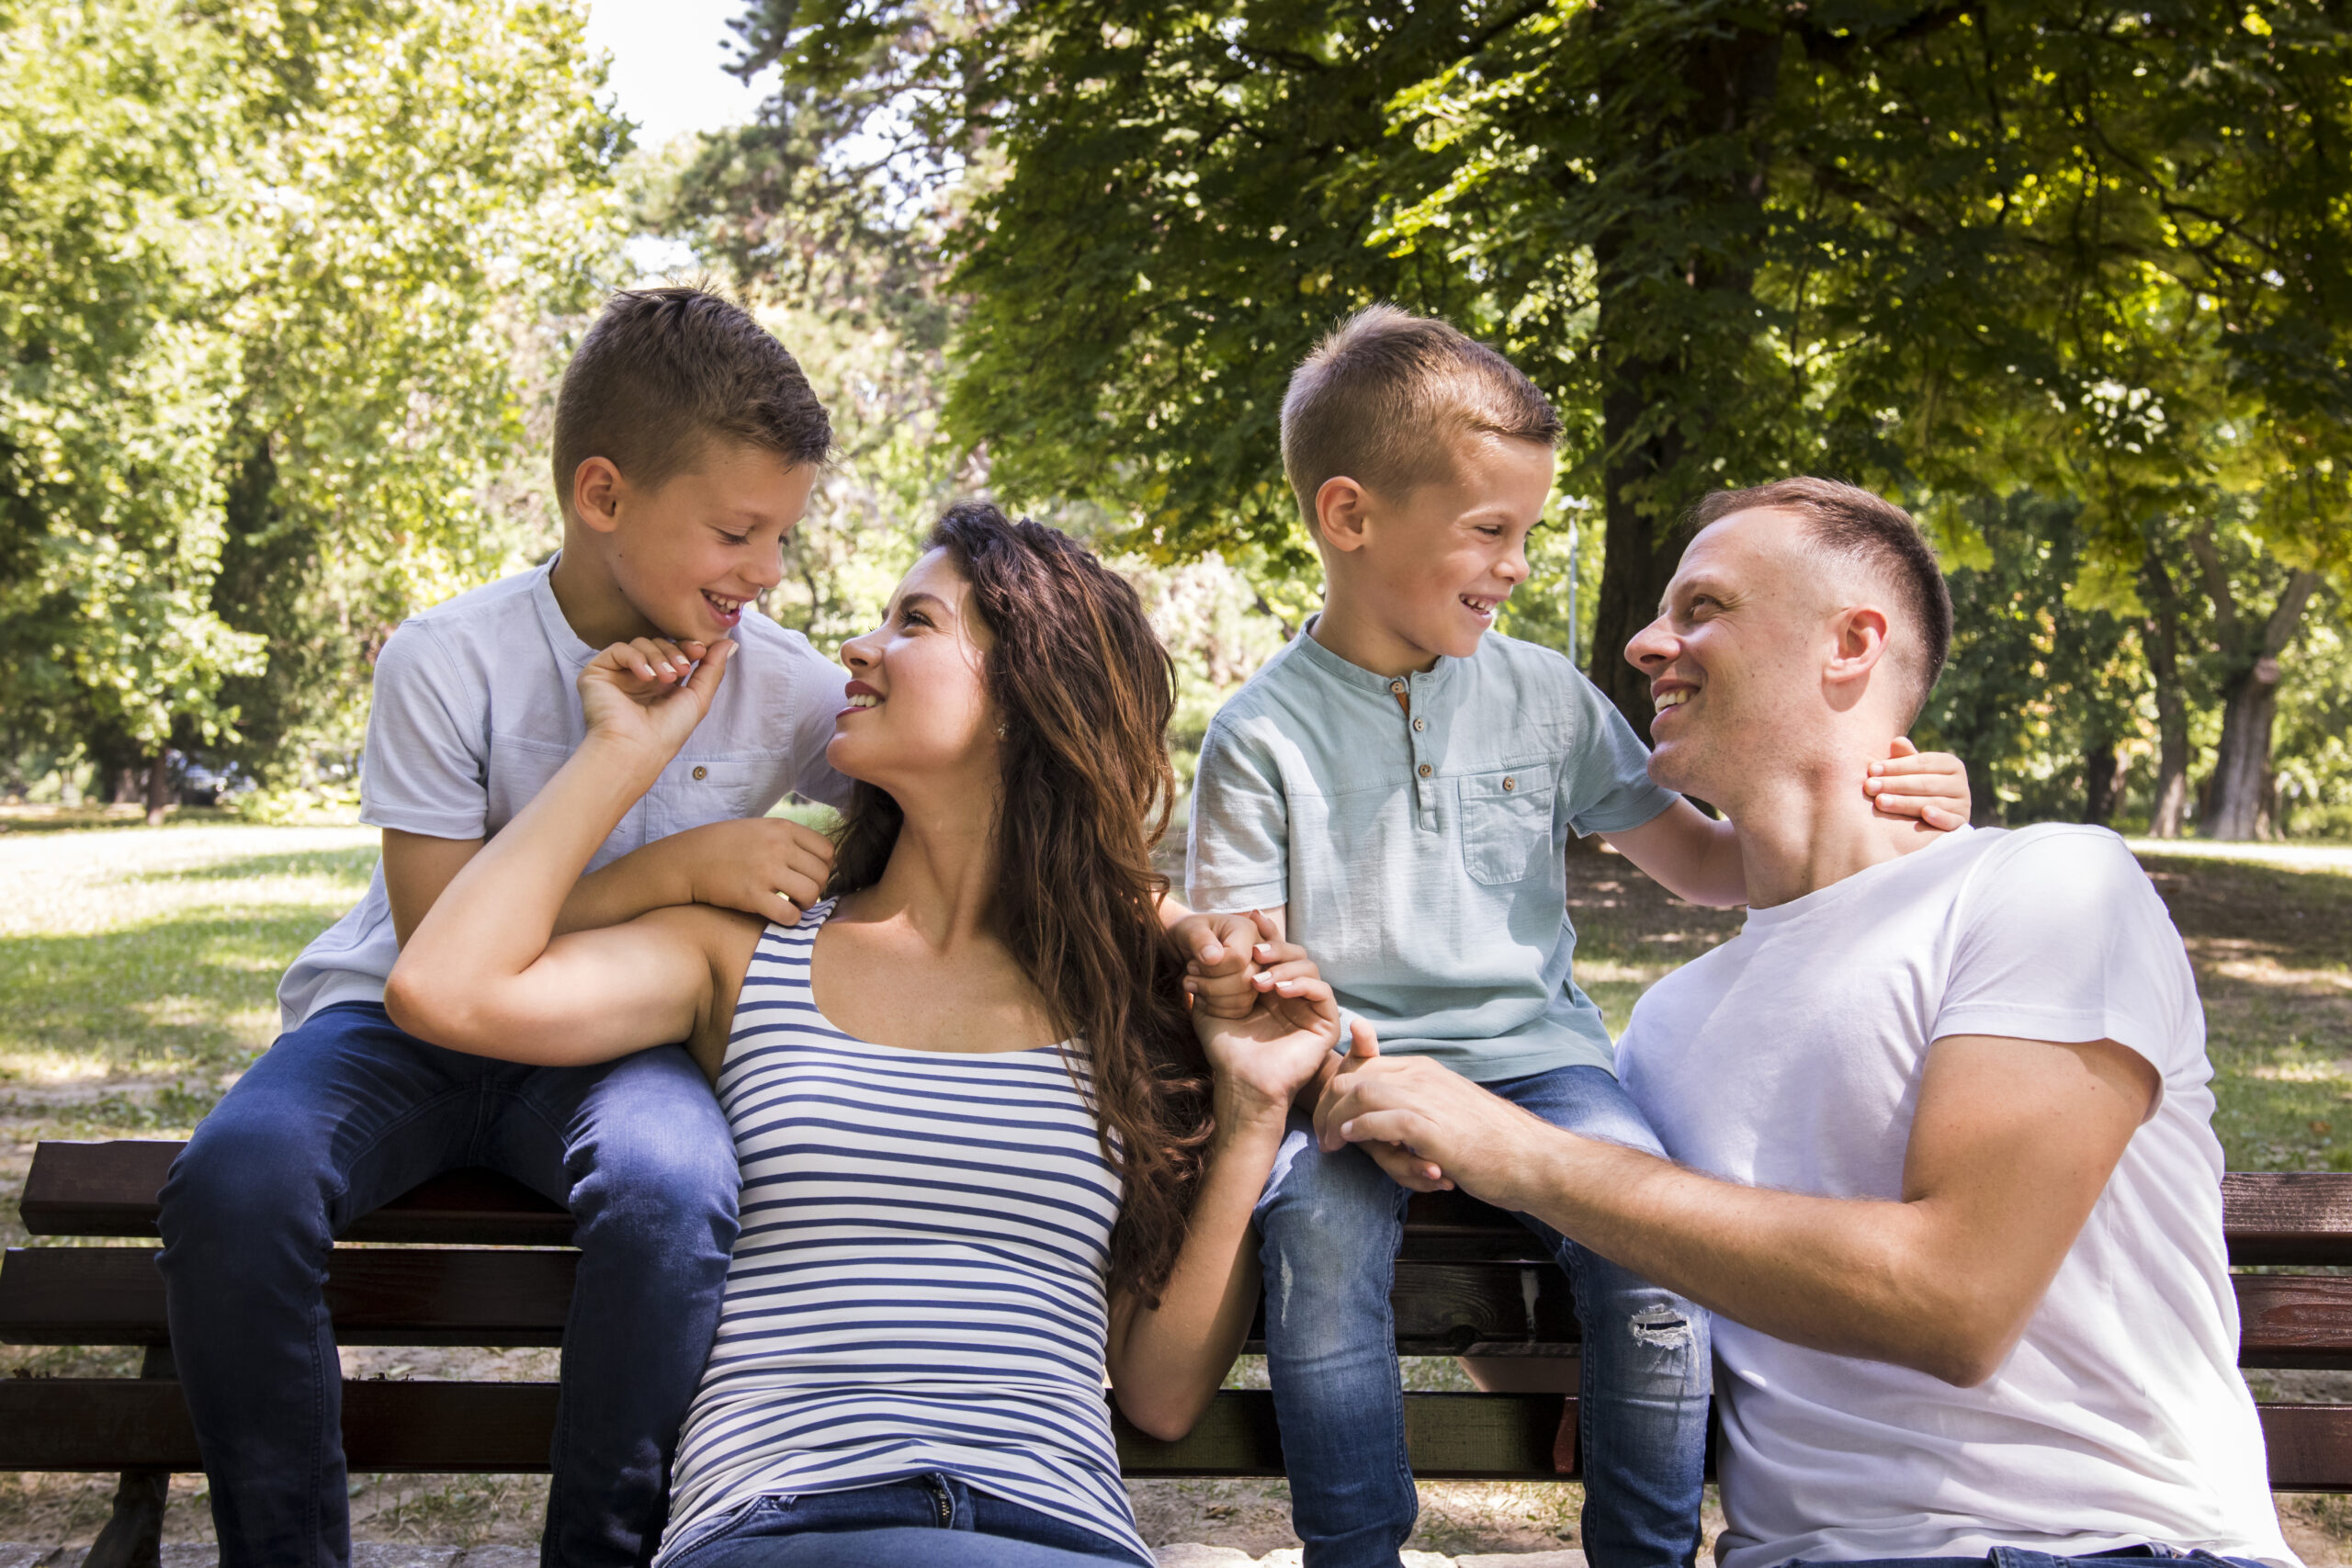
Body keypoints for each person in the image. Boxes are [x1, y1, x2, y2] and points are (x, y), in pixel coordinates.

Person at [157, 286, 1255, 1568]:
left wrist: (1182, 931)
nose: (772, 574)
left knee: (673, 1187)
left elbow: (1017, 813)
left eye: (783, 534)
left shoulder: (785, 680)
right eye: (738, 531)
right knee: (238, 1178)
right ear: (603, 495)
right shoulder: (448, 659)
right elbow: (438, 950)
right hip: (402, 1020)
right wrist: (667, 850)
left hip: (615, 1044)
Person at [1317, 478, 2298, 1568]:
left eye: (1702, 607)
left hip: (2094, 1548)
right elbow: (1622, 1326)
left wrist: (1525, 1156)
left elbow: (1954, 1302)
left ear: (1851, 644)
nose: (1644, 644)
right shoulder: (1668, 1027)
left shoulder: (2049, 887)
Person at [384, 503, 1344, 1568]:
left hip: (1052, 1529)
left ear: (1028, 696)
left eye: (914, 623)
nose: (857, 645)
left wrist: (1253, 1105)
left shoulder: (1130, 1003)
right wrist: (624, 753)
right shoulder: (745, 955)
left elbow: (1160, 1394)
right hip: (781, 1521)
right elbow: (441, 988)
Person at [1183, 308, 1973, 1568]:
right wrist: (1332, 1069)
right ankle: (1356, 1554)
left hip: (1542, 1064)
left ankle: (1647, 1558)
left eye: (1526, 535)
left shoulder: (1545, 695)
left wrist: (1882, 805)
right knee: (1317, 1252)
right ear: (1349, 516)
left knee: (1656, 1267)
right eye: (1488, 530)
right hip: (1349, 1071)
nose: (1513, 564)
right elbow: (1259, 981)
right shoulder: (1258, 735)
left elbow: (1708, 866)